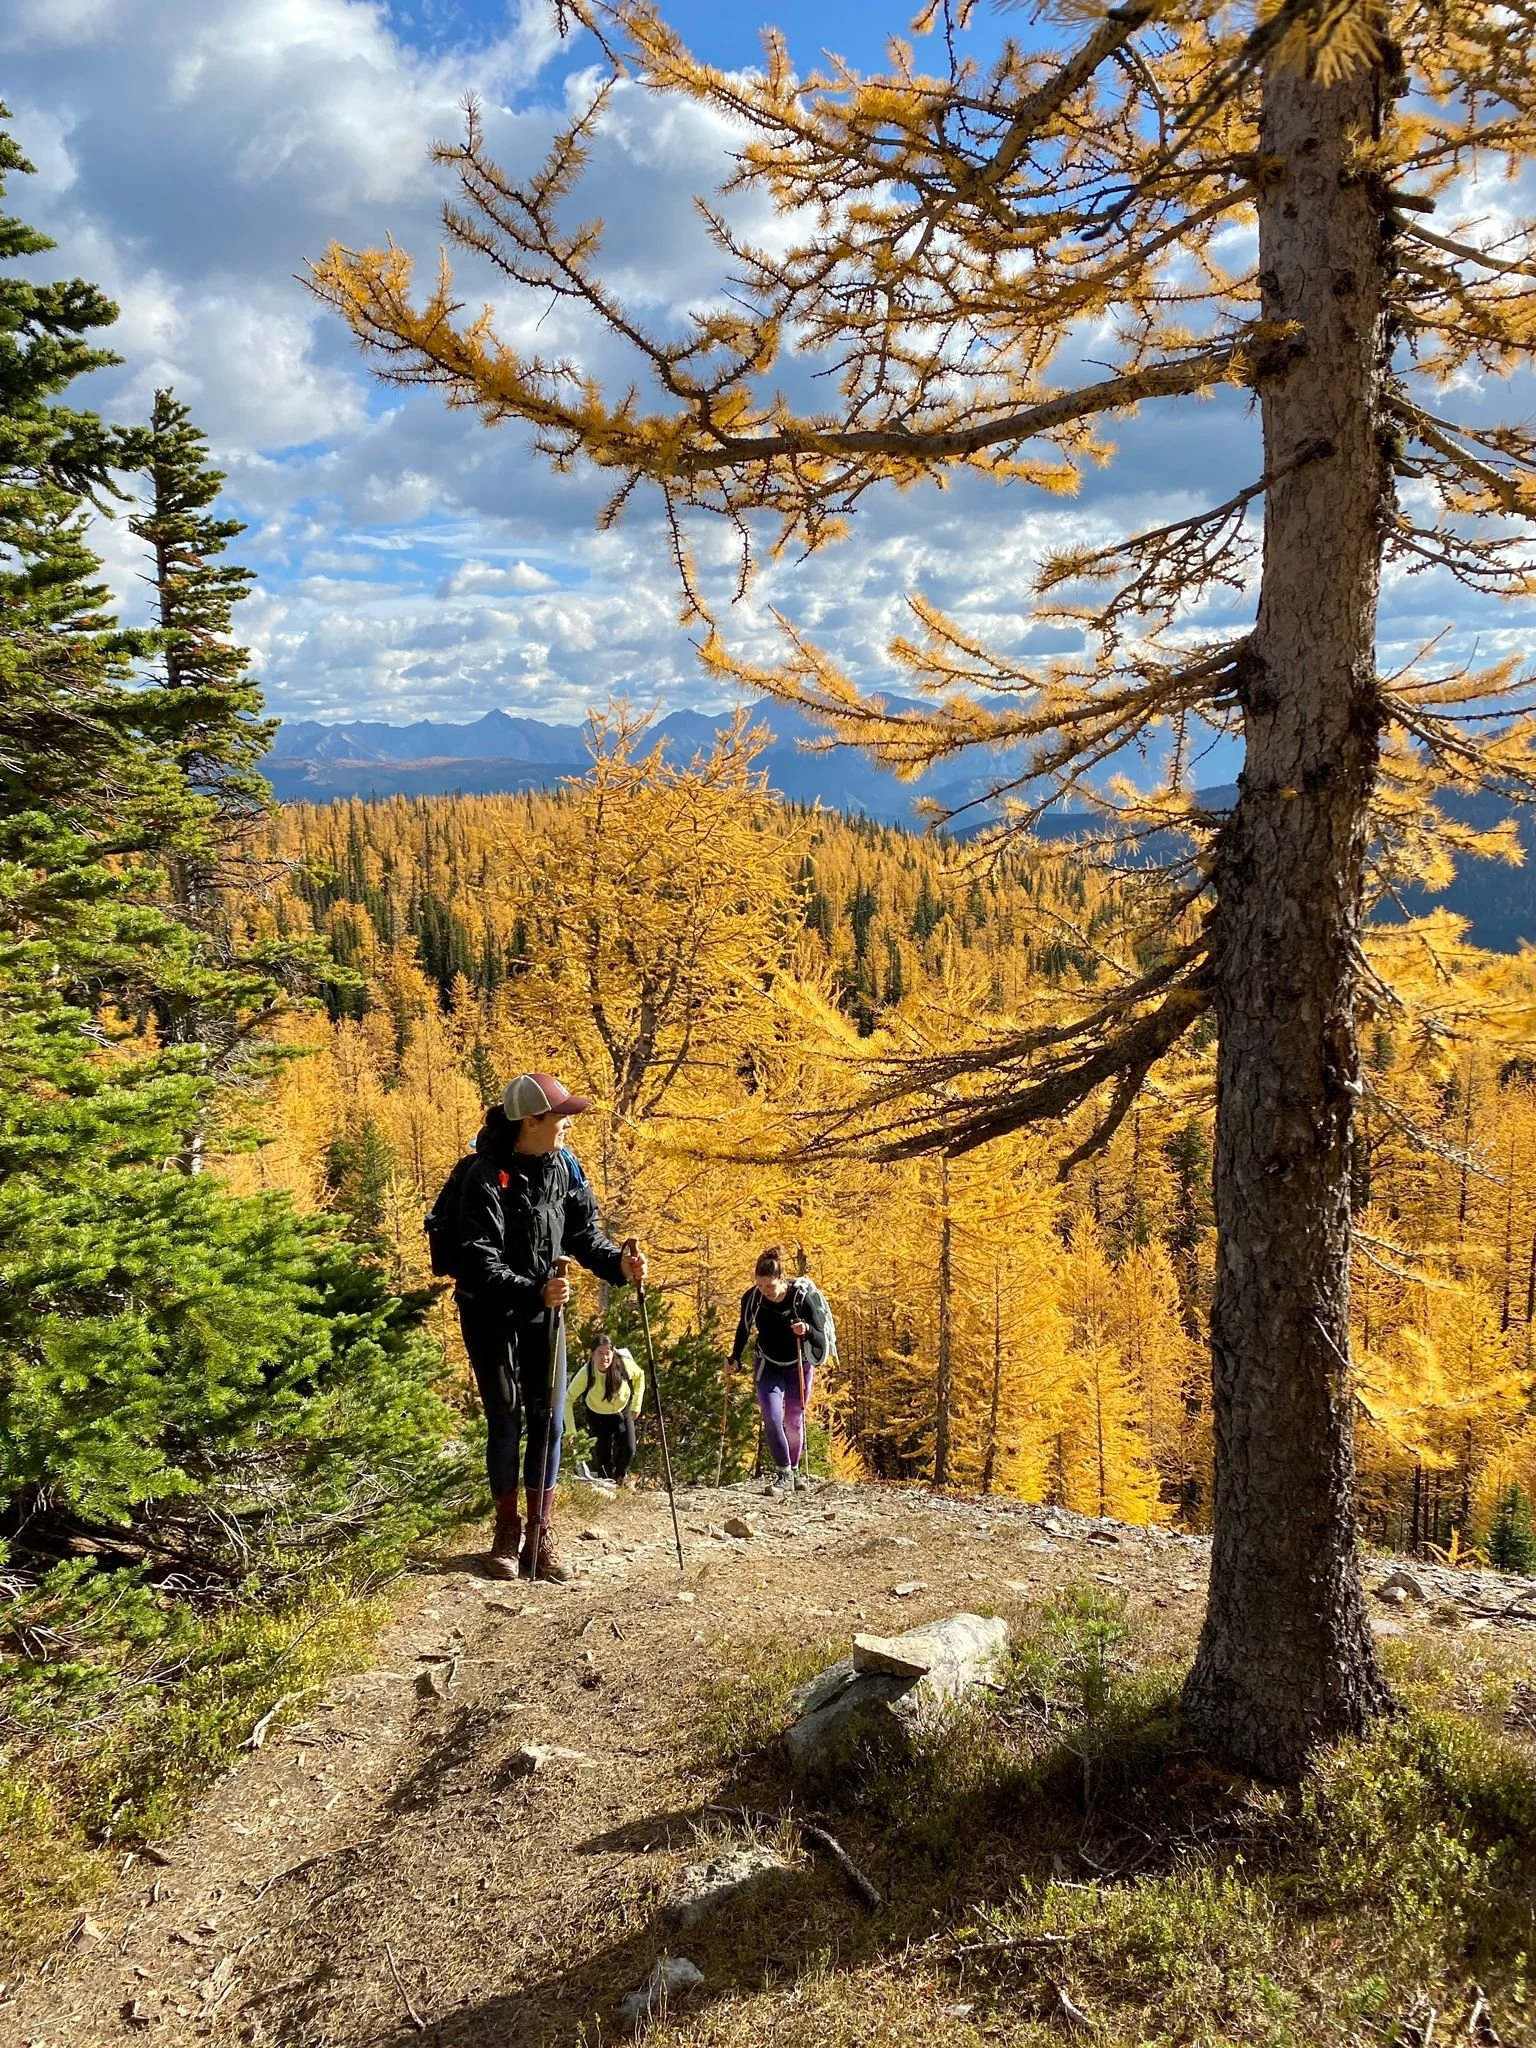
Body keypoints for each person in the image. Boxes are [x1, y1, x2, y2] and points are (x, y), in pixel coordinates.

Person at [454, 1072, 646, 1582]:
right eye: (561, 1117)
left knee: (550, 1420)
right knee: (505, 1418)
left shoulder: (564, 1166)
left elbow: (584, 1234)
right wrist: (534, 1290)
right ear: (531, 1120)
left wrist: (618, 1265)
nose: (568, 1125)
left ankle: (540, 1537)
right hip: (490, 1312)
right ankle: (506, 1534)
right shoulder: (484, 1176)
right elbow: (478, 1259)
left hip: (545, 1309)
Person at [727, 1246, 830, 1495]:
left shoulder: (800, 1298)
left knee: (794, 1421)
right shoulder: (753, 1298)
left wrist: (806, 1329)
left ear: (781, 1279)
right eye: (760, 1286)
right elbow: (744, 1329)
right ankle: (784, 1473)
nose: (765, 1291)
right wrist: (735, 1358)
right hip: (768, 1364)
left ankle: (794, 1469)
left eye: (769, 1286)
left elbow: (820, 1337)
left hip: (798, 1366)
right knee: (772, 1417)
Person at [564, 1333, 646, 1483]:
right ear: (592, 1355)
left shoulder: (623, 1365)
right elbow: (567, 1400)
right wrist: (571, 1432)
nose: (604, 1358)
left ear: (613, 1352)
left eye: (607, 1353)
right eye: (600, 1353)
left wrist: (636, 1404)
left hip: (622, 1410)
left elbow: (640, 1375)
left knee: (629, 1449)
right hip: (597, 1415)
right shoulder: (586, 1373)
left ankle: (620, 1478)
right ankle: (606, 1484)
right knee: (603, 1455)